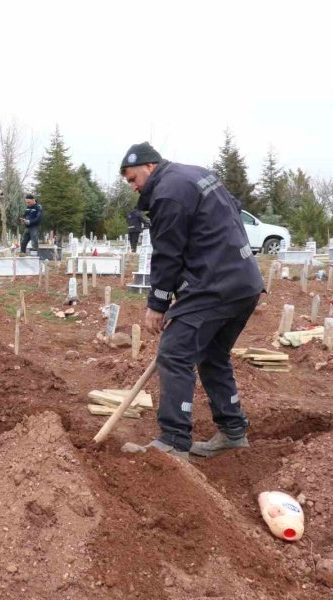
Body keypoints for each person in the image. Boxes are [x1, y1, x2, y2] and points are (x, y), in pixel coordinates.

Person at [118, 142, 264, 460]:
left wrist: (157, 305)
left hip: (215, 287)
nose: (133, 187)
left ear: (150, 166)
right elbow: (232, 210)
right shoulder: (195, 175)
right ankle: (233, 431)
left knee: (174, 354)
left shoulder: (168, 193)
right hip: (244, 281)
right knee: (213, 355)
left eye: (132, 178)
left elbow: (168, 253)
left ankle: (173, 441)